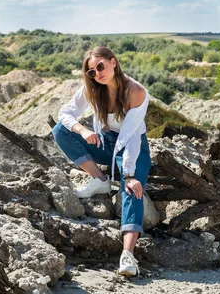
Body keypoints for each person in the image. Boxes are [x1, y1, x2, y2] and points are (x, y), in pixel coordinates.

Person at [52, 46, 151, 277]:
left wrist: (128, 174)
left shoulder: (135, 92)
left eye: (100, 66)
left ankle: (127, 254)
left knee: (132, 189)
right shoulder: (93, 89)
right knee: (60, 131)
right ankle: (100, 179)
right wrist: (83, 130)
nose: (97, 73)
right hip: (106, 142)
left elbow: (131, 137)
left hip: (133, 147)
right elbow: (64, 113)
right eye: (91, 71)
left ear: (113, 62)